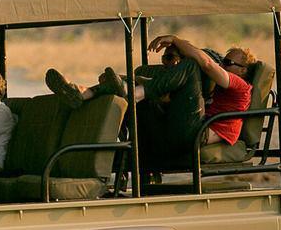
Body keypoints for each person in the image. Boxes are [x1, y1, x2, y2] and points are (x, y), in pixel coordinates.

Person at [45, 35, 254, 166]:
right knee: (132, 77)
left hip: (196, 135)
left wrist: (176, 39)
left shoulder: (241, 87)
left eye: (229, 62)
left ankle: (133, 92)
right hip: (175, 133)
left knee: (191, 66)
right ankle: (83, 93)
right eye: (224, 61)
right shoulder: (214, 91)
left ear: (243, 70)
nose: (224, 66)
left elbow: (207, 63)